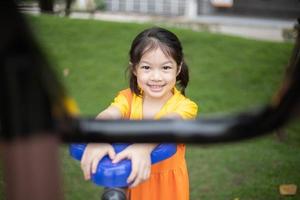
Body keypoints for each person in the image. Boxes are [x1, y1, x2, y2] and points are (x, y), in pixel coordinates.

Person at [80, 27, 198, 200]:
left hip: (167, 189)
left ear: (178, 68)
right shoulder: (127, 98)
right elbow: (110, 114)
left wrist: (143, 147)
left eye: (165, 67)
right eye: (146, 67)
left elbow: (168, 125)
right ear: (134, 69)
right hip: (133, 180)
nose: (156, 77)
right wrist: (99, 136)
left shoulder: (185, 107)